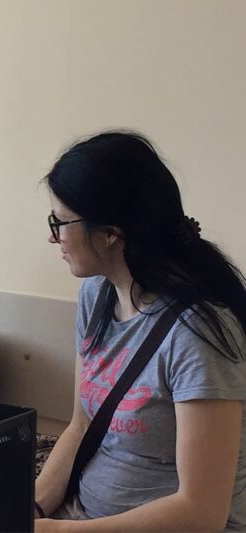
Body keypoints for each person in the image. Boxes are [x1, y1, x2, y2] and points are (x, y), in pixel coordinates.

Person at [35, 132, 246, 532]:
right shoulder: (95, 296)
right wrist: (32, 509)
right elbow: (81, 426)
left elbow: (201, 513)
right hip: (85, 516)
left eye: (60, 223)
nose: (52, 236)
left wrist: (60, 532)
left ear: (112, 232)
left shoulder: (197, 335)